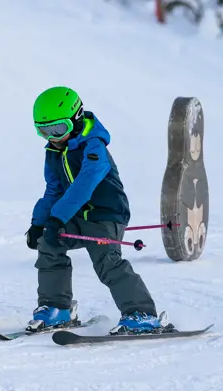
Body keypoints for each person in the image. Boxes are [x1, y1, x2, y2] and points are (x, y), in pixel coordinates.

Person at [25, 86, 163, 335]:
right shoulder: (55, 151)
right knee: (49, 244)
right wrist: (39, 222)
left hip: (106, 215)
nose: (53, 137)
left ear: (76, 118)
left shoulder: (94, 147)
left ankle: (142, 314)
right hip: (75, 216)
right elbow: (53, 190)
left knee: (107, 262)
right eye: (44, 131)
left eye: (58, 129)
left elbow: (84, 185)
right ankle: (57, 308)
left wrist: (58, 217)